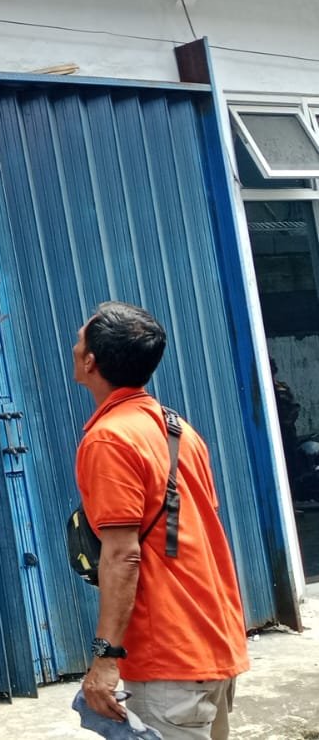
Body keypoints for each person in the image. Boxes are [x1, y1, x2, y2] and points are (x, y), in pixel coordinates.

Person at [72, 302, 248, 740]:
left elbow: (122, 556)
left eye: (79, 340)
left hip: (167, 658)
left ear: (90, 361)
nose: (74, 346)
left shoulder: (109, 439)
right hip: (211, 642)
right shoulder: (177, 429)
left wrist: (105, 657)